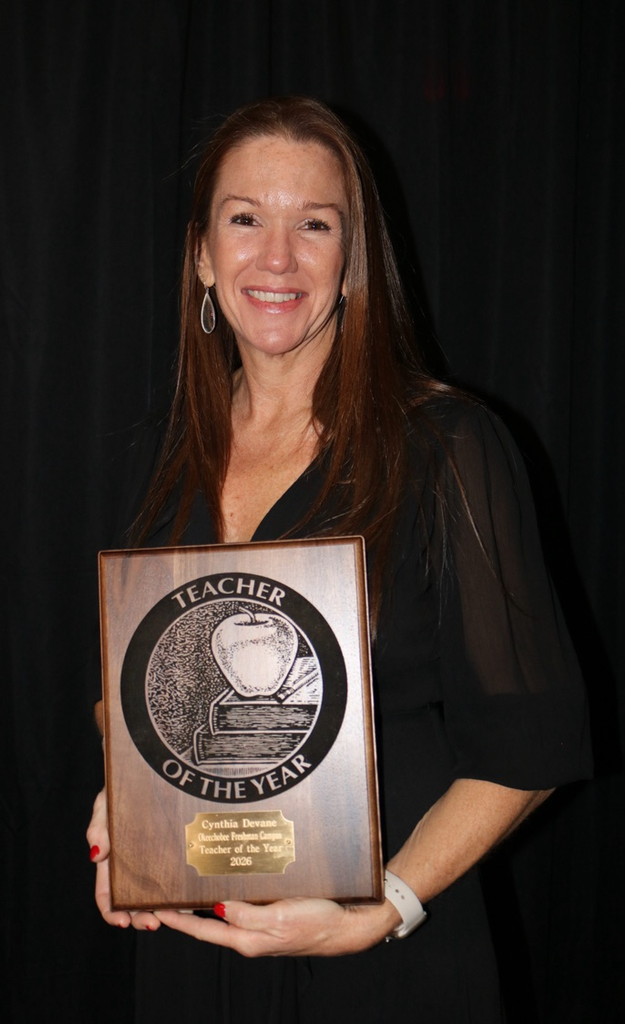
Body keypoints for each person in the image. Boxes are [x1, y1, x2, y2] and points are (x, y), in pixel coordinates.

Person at [87, 96, 590, 1023]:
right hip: (196, 959)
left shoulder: (447, 449)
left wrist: (381, 907)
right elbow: (134, 684)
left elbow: (532, 746)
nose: (275, 258)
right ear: (201, 251)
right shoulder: (158, 458)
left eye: (313, 225)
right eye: (246, 219)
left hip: (384, 969)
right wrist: (123, 803)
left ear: (354, 260)